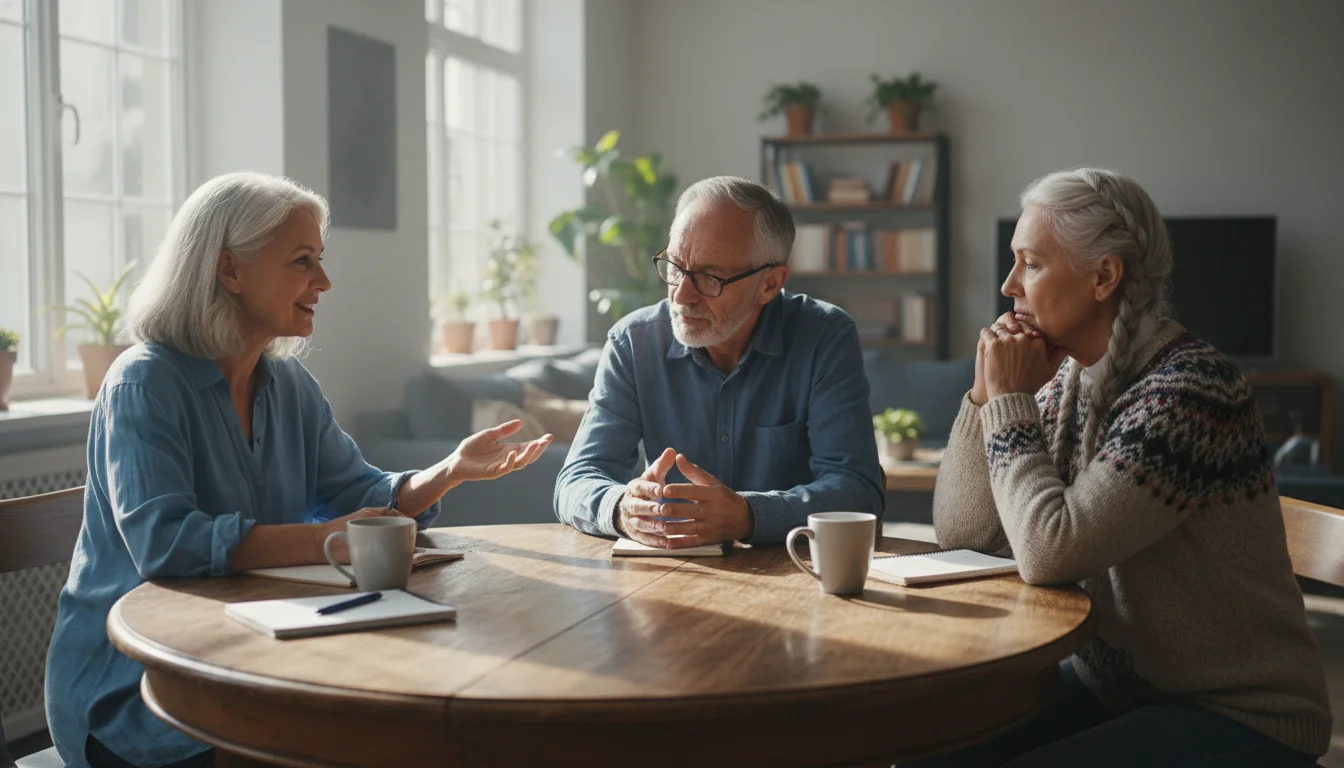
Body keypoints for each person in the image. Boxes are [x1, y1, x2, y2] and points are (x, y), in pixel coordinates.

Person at [44, 172, 552, 768]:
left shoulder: (289, 385)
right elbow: (166, 543)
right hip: (138, 689)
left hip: (251, 651)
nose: (324, 281)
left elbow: (357, 494)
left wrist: (448, 471)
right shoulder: (143, 382)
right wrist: (323, 538)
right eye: (302, 260)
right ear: (229, 270)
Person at [925, 168, 1330, 766]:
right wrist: (986, 397)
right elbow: (966, 535)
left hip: (1240, 712)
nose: (1008, 285)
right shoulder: (1063, 380)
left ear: (1104, 276)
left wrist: (1010, 406)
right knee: (929, 746)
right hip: (1118, 691)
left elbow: (1048, 551)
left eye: (1030, 264)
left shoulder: (1190, 390)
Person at [553, 175, 883, 548]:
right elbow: (577, 480)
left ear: (770, 284)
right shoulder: (633, 342)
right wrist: (620, 509)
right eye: (675, 268)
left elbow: (857, 490)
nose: (681, 296)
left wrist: (748, 515)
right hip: (673, 575)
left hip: (794, 573)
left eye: (709, 277)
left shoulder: (824, 336)